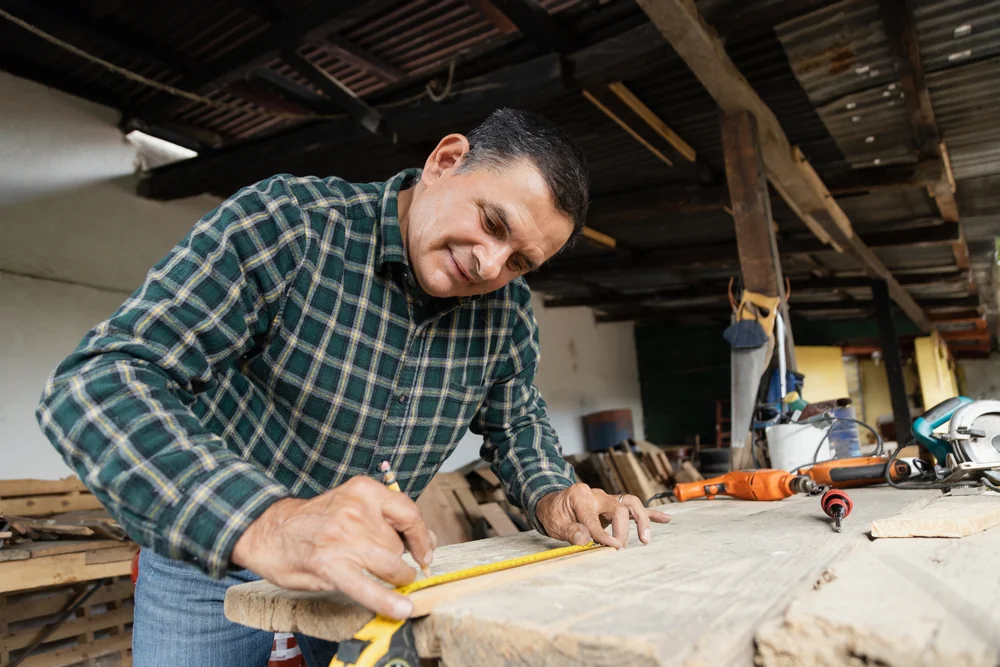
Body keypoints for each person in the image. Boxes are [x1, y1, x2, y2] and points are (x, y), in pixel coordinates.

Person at [36, 108, 671, 666]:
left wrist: (555, 495)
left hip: (366, 574)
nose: (489, 264)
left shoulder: (506, 311)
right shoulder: (291, 223)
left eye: (521, 262)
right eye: (492, 223)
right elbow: (96, 382)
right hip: (212, 568)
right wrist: (268, 522)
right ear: (445, 162)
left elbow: (518, 423)